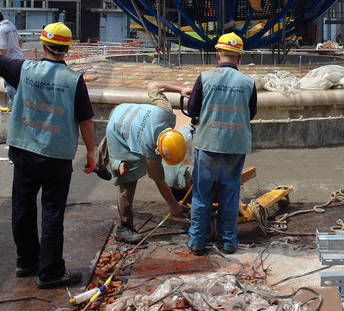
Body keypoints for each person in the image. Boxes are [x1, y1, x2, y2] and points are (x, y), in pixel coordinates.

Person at [0, 21, 96, 290]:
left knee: (22, 207)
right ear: (66, 49)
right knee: (51, 213)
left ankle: (26, 262)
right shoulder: (73, 80)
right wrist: (91, 153)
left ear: (44, 45)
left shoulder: (24, 69)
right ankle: (50, 273)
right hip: (56, 157)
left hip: (24, 151)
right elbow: (86, 122)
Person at [186, 33, 257, 255]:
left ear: (218, 54)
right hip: (235, 147)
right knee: (229, 194)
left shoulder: (205, 77)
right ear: (239, 58)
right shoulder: (248, 83)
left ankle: (198, 242)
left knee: (201, 194)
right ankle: (228, 242)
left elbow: (192, 110)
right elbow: (250, 113)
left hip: (208, 145)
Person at [94, 82, 190, 244]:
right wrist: (174, 206)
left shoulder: (165, 112)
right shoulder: (148, 152)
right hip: (118, 126)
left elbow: (153, 85)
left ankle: (98, 165)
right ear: (158, 150)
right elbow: (160, 182)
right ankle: (124, 227)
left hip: (121, 111)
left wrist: (180, 90)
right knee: (127, 178)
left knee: (116, 133)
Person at [0, 8, 24, 105]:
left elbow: (2, 50)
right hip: (18, 60)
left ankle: (14, 111)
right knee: (17, 88)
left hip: (9, 63)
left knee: (10, 89)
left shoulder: (0, 30)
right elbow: (20, 40)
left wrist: (0, 66)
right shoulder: (11, 26)